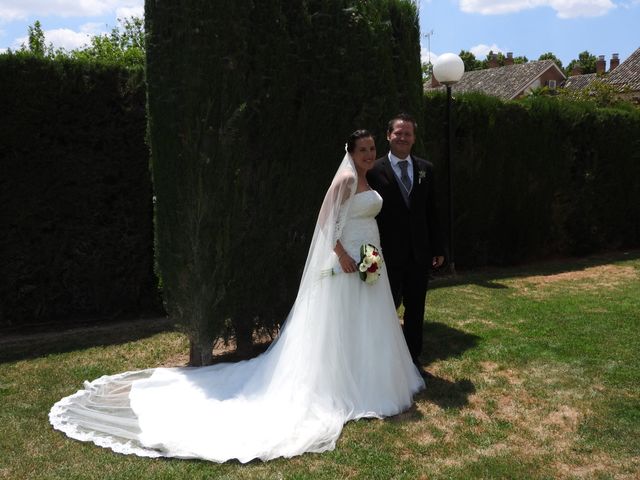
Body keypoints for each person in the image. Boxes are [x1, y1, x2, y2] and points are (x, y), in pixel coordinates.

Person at [49, 130, 424, 463]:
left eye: (372, 148)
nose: (369, 154)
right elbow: (325, 222)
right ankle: (342, 384)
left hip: (370, 259)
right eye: (363, 149)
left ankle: (369, 378)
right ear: (350, 151)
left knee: (366, 321)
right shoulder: (344, 179)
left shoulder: (369, 178)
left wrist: (371, 256)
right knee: (341, 322)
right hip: (345, 263)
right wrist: (342, 253)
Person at [367, 114, 445, 375]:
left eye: (407, 133)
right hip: (385, 254)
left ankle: (412, 360)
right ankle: (382, 360)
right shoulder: (373, 170)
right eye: (398, 133)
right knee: (384, 308)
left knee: (416, 309)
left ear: (414, 137)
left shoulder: (426, 168)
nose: (402, 137)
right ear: (388, 135)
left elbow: (432, 212)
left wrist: (438, 248)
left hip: (419, 253)